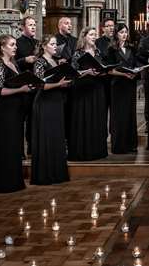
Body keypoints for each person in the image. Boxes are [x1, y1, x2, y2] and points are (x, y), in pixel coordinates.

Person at [0, 34, 30, 193]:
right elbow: (0, 90)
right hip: (5, 110)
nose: (15, 47)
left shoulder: (13, 64)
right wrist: (21, 89)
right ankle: (4, 183)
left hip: (16, 109)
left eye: (15, 45)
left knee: (15, 146)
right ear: (2, 47)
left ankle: (15, 181)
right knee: (6, 146)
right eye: (12, 45)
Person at [31, 36, 72, 185]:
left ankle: (56, 172)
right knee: (47, 136)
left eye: (56, 44)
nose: (56, 47)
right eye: (53, 44)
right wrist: (59, 84)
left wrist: (65, 83)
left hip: (56, 101)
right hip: (45, 102)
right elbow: (39, 85)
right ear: (44, 46)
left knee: (56, 135)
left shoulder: (55, 61)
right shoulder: (40, 62)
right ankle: (46, 174)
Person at [68, 27, 108, 161]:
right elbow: (73, 72)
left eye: (95, 34)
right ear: (84, 37)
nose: (94, 37)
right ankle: (84, 150)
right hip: (82, 89)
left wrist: (101, 71)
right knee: (84, 118)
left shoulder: (98, 52)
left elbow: (103, 68)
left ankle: (97, 150)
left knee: (96, 118)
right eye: (91, 34)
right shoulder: (78, 54)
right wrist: (87, 72)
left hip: (97, 88)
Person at [107, 23, 139, 154]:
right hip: (118, 86)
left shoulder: (132, 48)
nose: (124, 35)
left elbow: (135, 64)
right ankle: (119, 146)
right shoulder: (111, 50)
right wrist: (124, 74)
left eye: (126, 32)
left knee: (130, 114)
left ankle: (131, 145)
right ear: (116, 34)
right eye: (121, 32)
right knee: (119, 115)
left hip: (130, 85)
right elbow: (109, 70)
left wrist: (136, 71)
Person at [15, 15, 38, 156]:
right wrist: (25, 60)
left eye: (34, 24)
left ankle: (31, 147)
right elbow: (11, 63)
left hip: (36, 83)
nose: (34, 27)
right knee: (22, 119)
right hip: (23, 85)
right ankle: (20, 151)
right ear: (23, 27)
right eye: (30, 25)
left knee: (33, 118)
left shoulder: (37, 42)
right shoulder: (16, 43)